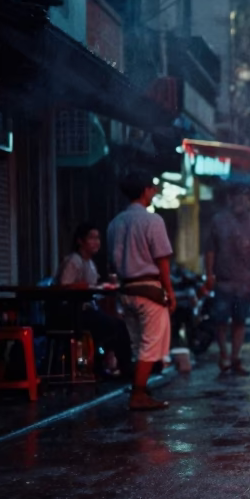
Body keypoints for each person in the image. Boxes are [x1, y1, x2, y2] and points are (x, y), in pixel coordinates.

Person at [107, 171, 175, 411]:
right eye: (152, 188)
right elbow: (162, 260)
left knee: (138, 345)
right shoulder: (152, 221)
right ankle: (137, 394)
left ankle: (140, 389)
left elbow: (112, 262)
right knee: (150, 344)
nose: (154, 192)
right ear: (145, 190)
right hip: (149, 290)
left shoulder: (115, 223)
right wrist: (170, 292)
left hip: (126, 291)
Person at [56, 222, 129, 377]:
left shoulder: (90, 263)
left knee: (117, 323)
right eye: (92, 238)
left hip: (87, 310)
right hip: (70, 313)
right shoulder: (74, 260)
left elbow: (92, 288)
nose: (96, 242)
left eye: (98, 238)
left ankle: (101, 364)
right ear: (80, 241)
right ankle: (121, 369)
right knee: (116, 327)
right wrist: (80, 286)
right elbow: (63, 286)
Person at [204, 190, 250, 376]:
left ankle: (235, 358)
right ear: (230, 199)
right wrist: (209, 274)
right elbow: (210, 250)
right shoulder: (218, 221)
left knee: (240, 321)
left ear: (248, 201)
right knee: (221, 321)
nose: (240, 201)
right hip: (223, 280)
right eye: (237, 197)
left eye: (243, 198)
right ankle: (224, 354)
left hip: (245, 282)